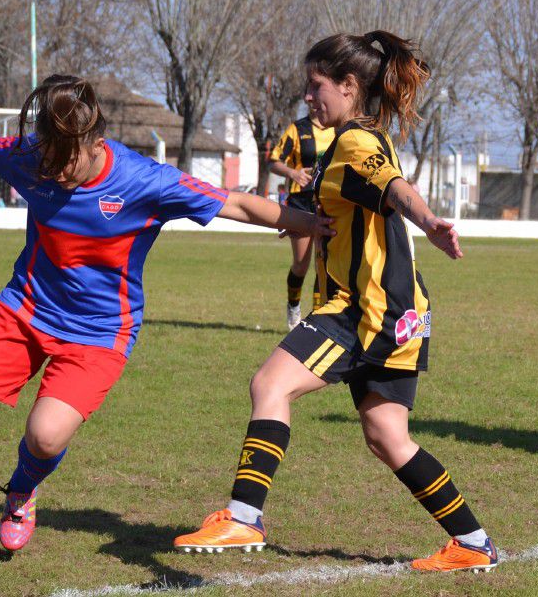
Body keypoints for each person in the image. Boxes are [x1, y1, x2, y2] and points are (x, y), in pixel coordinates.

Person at [0, 74, 333, 562]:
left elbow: (237, 204)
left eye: (64, 161)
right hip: (22, 310)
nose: (52, 171)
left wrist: (309, 223)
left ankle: (21, 490)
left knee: (45, 436)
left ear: (93, 145)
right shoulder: (35, 157)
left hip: (99, 334)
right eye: (45, 157)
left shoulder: (143, 181)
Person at [173, 32, 498, 574]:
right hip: (401, 311)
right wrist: (322, 227)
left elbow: (395, 187)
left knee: (270, 385)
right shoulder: (353, 138)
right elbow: (368, 200)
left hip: (366, 309)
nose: (307, 97)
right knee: (387, 436)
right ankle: (473, 541)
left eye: (315, 86)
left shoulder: (355, 141)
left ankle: (244, 515)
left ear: (349, 87)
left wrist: (429, 221)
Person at [269, 111, 335, 330]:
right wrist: (293, 173)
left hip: (327, 202)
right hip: (300, 202)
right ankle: (293, 305)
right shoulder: (297, 129)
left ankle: (317, 316)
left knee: (322, 263)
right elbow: (273, 162)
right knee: (301, 264)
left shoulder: (339, 128)